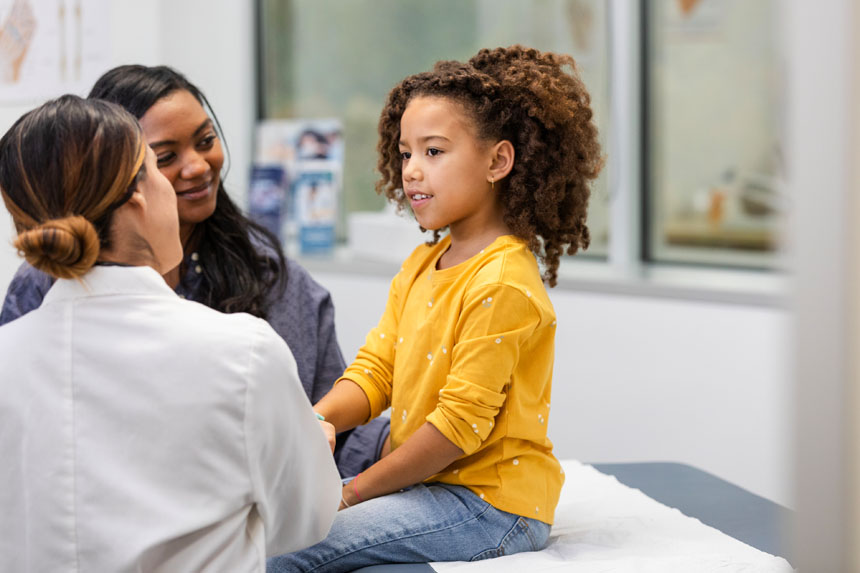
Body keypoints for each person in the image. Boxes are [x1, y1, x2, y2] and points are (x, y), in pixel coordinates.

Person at [267, 45, 603, 572]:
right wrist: (316, 418)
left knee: (292, 550)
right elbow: (377, 372)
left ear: (498, 161)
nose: (412, 172)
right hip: (433, 488)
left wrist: (353, 492)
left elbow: (455, 430)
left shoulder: (504, 282)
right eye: (405, 154)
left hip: (491, 507)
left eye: (434, 151)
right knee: (269, 528)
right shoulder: (423, 264)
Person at [0, 95, 341, 572]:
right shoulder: (243, 352)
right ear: (139, 195)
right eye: (158, 166)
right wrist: (311, 445)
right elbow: (304, 524)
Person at [0, 65, 389, 477]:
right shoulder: (42, 292)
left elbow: (334, 436)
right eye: (164, 158)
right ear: (114, 180)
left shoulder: (271, 275)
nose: (198, 167)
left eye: (206, 141)